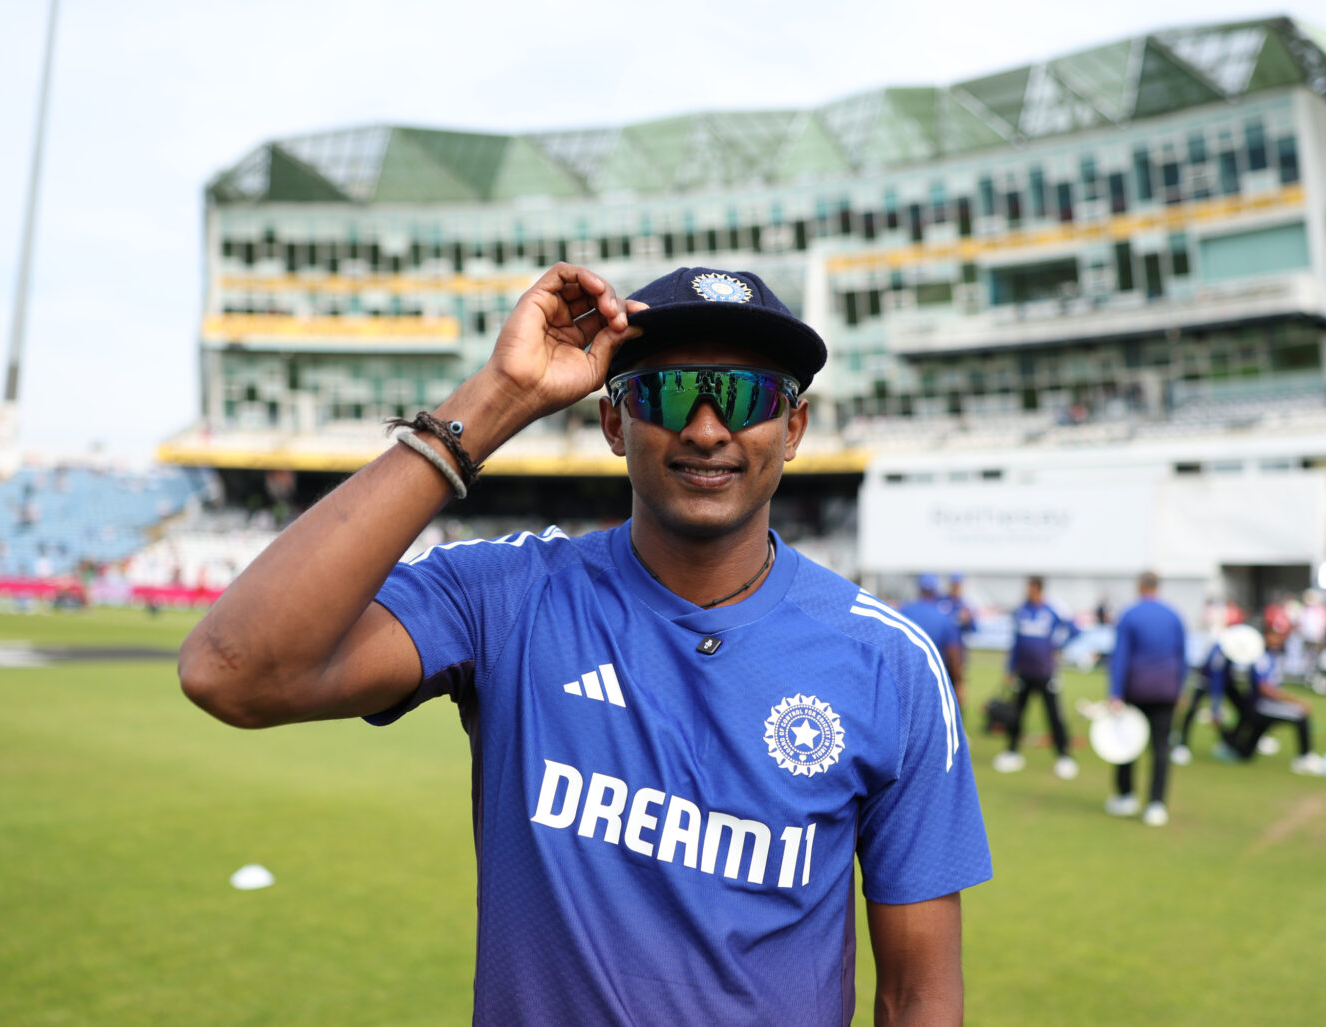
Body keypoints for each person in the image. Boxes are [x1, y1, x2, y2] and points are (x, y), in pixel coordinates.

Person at [179, 264, 993, 1025]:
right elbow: (232, 670)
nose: (707, 428)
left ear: (794, 428)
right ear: (613, 421)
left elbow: (919, 993)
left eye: (746, 398)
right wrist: (497, 398)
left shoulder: (890, 661)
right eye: (669, 394)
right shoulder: (504, 595)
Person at [1105, 571, 1187, 827]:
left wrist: (1115, 693)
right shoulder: (1173, 614)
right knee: (1160, 748)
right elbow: (1183, 656)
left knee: (1127, 743)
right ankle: (1156, 804)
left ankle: (1126, 796)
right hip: (1166, 689)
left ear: (1140, 586)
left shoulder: (1130, 614)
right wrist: (1180, 688)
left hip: (1136, 689)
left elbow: (1120, 656)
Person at [994, 576, 1079, 779]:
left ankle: (1064, 756)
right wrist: (1010, 669)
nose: (1027, 592)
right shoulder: (1021, 611)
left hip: (1046, 673)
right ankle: (1012, 752)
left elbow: (1075, 630)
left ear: (1039, 589)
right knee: (1017, 714)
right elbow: (1016, 642)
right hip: (1024, 672)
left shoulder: (1052, 610)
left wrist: (1058, 647)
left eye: (1031, 588)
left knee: (1053, 715)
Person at [1222, 628, 1325, 774]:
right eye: (1274, 636)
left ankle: (1228, 742)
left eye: (1280, 636)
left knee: (1245, 754)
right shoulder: (1261, 658)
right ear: (1265, 636)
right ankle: (1304, 758)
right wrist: (1295, 701)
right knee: (1300, 715)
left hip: (1263, 706)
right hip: (1262, 706)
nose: (1278, 640)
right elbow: (1265, 689)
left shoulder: (1272, 656)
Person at [1171, 637, 1250, 765]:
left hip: (1225, 683)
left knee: (1244, 709)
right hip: (1205, 682)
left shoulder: (1238, 647)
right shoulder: (1219, 650)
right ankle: (1182, 743)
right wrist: (1216, 706)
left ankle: (1229, 742)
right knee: (1192, 711)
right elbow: (1216, 677)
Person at [901, 574, 967, 713]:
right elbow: (953, 652)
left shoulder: (905, 611)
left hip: (907, 676)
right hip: (935, 677)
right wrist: (958, 682)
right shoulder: (943, 616)